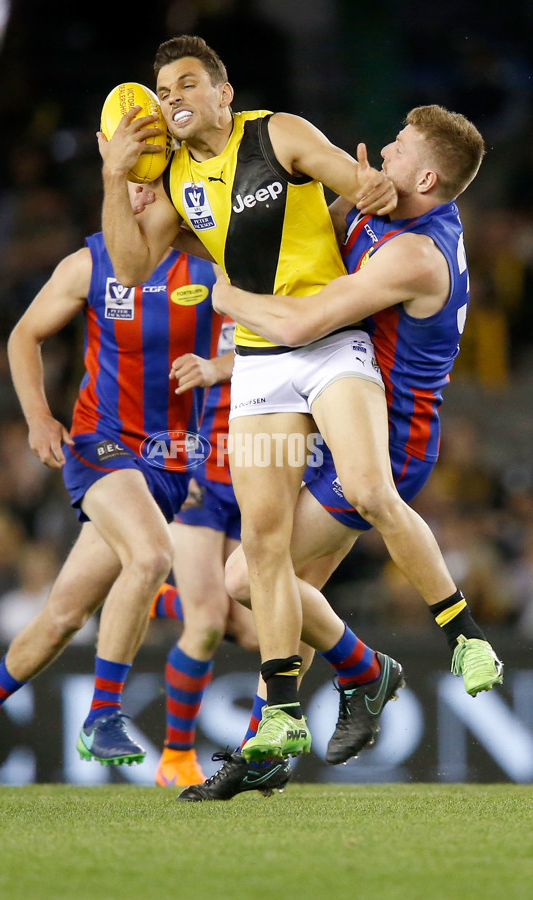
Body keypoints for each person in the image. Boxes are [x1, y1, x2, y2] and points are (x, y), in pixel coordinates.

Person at [178, 104, 505, 801]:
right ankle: (278, 740)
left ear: (425, 175)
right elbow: (297, 266)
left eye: (398, 147)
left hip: (392, 431)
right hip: (336, 402)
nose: (382, 149)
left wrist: (224, 297)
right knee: (283, 590)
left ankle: (417, 648)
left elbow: (297, 317)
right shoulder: (369, 210)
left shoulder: (416, 253)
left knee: (247, 578)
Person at [98, 34, 401, 762]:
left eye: (188, 83)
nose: (174, 99)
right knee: (257, 553)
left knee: (361, 497)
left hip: (329, 345)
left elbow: (351, 182)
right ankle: (301, 703)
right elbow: (134, 265)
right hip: (261, 364)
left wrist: (376, 189)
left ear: (224, 93)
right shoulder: (173, 183)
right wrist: (114, 179)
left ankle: (417, 648)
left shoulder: (277, 132)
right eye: (164, 91)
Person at [0, 236, 230, 789]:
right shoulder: (90, 264)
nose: (140, 195)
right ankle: (103, 715)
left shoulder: (212, 269)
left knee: (64, 617)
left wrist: (219, 366)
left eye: (151, 184)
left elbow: (268, 344)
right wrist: (38, 418)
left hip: (170, 464)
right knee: (150, 557)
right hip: (98, 443)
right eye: (132, 186)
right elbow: (24, 334)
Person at [153, 316, 260, 788]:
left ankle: (156, 597)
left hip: (260, 471)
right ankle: (177, 756)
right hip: (198, 466)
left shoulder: (291, 288)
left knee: (257, 632)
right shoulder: (199, 286)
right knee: (208, 624)